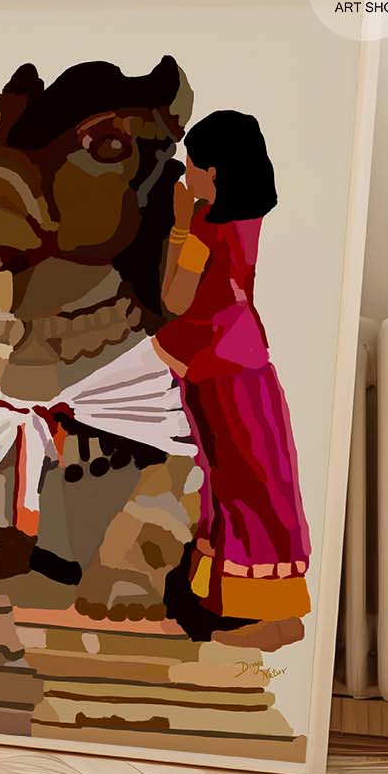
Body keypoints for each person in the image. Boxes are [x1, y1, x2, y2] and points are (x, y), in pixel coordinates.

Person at [156, 109, 311, 634]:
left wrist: (178, 226)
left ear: (213, 172)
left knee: (226, 480)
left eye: (192, 165)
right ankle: (252, 589)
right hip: (249, 356)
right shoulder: (249, 217)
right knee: (262, 475)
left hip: (209, 360)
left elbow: (175, 299)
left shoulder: (204, 224)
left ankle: (228, 594)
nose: (186, 174)